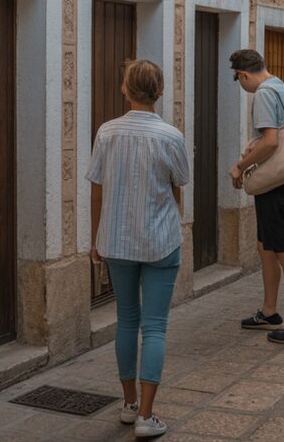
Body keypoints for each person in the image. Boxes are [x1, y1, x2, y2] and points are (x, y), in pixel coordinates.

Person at [87, 60, 190, 439]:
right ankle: (147, 415)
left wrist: (95, 239)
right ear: (159, 91)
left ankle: (129, 404)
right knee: (155, 326)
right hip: (161, 241)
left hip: (117, 241)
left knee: (127, 320)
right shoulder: (171, 137)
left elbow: (96, 189)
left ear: (125, 89)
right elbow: (178, 186)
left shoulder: (107, 133)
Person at [228, 48, 284, 345]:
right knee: (266, 247)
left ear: (243, 75)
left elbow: (271, 142)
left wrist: (240, 167)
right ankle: (269, 311)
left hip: (276, 184)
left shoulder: (263, 93)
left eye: (238, 80)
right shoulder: (282, 88)